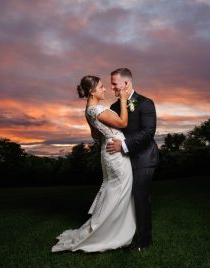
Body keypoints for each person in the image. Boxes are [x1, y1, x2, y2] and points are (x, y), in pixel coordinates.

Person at [51, 75, 135, 252]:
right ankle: (107, 233)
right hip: (116, 152)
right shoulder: (95, 109)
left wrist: (107, 133)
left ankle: (114, 228)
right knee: (118, 190)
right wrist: (123, 99)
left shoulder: (89, 109)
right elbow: (123, 122)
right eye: (101, 87)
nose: (105, 89)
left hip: (110, 149)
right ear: (92, 91)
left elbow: (95, 135)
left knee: (114, 190)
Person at [107, 68, 159, 251]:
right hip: (123, 160)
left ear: (126, 84)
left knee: (140, 197)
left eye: (114, 83)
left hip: (144, 158)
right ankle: (124, 237)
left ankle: (144, 242)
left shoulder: (146, 103)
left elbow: (148, 132)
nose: (112, 87)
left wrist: (124, 146)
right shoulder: (113, 108)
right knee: (123, 199)